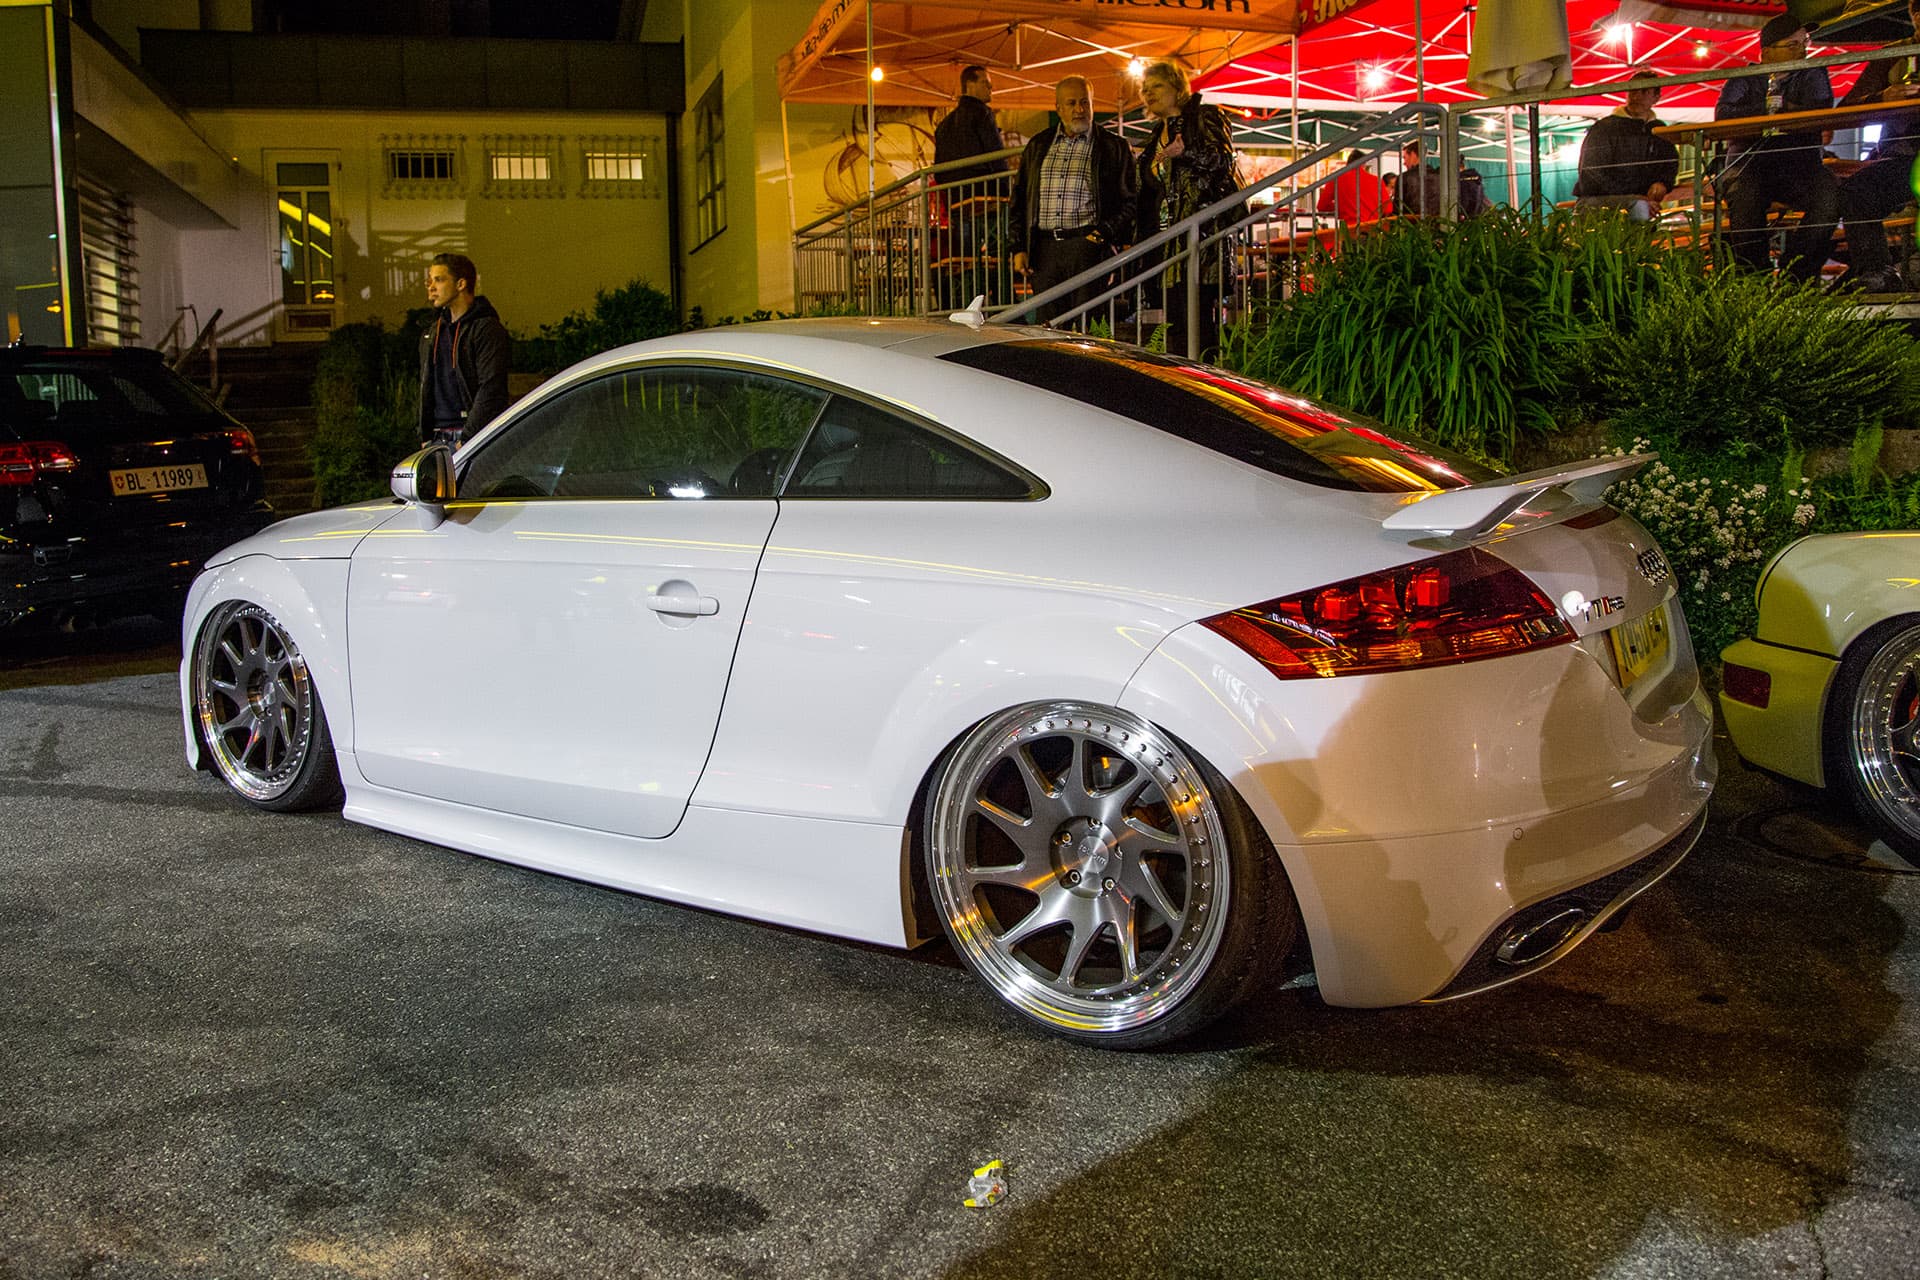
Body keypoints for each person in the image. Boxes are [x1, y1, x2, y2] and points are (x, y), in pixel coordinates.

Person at [1713, 15, 1840, 282]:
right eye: (1793, 44)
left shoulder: (1813, 72)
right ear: (1767, 52)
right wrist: (1776, 110)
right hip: (1749, 164)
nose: (1802, 50)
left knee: (1830, 196)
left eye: (1804, 42)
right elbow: (1724, 116)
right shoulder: (1744, 77)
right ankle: (1754, 281)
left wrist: (1773, 111)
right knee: (1744, 196)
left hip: (1800, 167)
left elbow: (1819, 109)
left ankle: (1796, 274)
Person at [1008, 76, 1138, 323]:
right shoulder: (1038, 145)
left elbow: (1129, 201)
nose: (1080, 109)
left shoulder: (1113, 147)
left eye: (1085, 102)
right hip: (1044, 249)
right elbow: (1020, 198)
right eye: (1072, 103)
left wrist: (1101, 235)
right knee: (1049, 326)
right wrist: (1019, 247)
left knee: (1091, 325)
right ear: (1058, 108)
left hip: (1087, 245)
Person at [1136, 59, 1239, 359]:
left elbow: (1223, 162)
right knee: (1176, 324)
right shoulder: (1155, 135)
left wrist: (1187, 152)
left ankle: (1205, 377)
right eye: (1145, 89)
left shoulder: (1205, 116)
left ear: (1177, 88)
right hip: (1166, 242)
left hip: (1200, 238)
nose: (1149, 93)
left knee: (1200, 323)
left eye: (1157, 86)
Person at [1835, 0, 1920, 292]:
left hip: (1904, 161)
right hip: (1902, 159)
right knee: (1857, 191)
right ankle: (1877, 273)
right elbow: (1847, 109)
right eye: (1918, 12)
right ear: (1913, 16)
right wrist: (1882, 98)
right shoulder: (1893, 55)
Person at [933, 65, 1009, 308]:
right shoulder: (982, 114)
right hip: (985, 196)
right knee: (998, 252)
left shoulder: (945, 125)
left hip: (956, 199)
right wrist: (1007, 189)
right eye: (986, 82)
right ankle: (1003, 301)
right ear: (970, 85)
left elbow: (938, 169)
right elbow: (995, 155)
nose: (991, 88)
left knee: (967, 257)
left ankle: (967, 304)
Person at [417, 253, 509, 450]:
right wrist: (425, 436)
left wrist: (467, 439)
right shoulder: (432, 332)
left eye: (439, 280)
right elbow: (426, 385)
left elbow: (491, 388)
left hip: (470, 437)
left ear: (461, 284)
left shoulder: (486, 329)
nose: (431, 287)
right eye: (429, 281)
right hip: (437, 438)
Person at [1574, 68, 1681, 221]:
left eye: (1644, 91)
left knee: (1642, 209)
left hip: (1639, 203)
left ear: (1656, 98)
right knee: (1640, 209)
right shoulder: (1604, 128)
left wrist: (1663, 183)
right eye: (1632, 90)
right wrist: (1634, 197)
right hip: (1599, 202)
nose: (1636, 96)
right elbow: (1592, 173)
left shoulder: (1660, 130)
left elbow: (1670, 165)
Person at [1315, 149, 1387, 227]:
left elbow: (1322, 206)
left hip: (1349, 228)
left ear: (1347, 164)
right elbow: (1388, 208)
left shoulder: (1336, 179)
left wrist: (1341, 207)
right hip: (1373, 227)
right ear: (1364, 164)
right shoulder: (1376, 181)